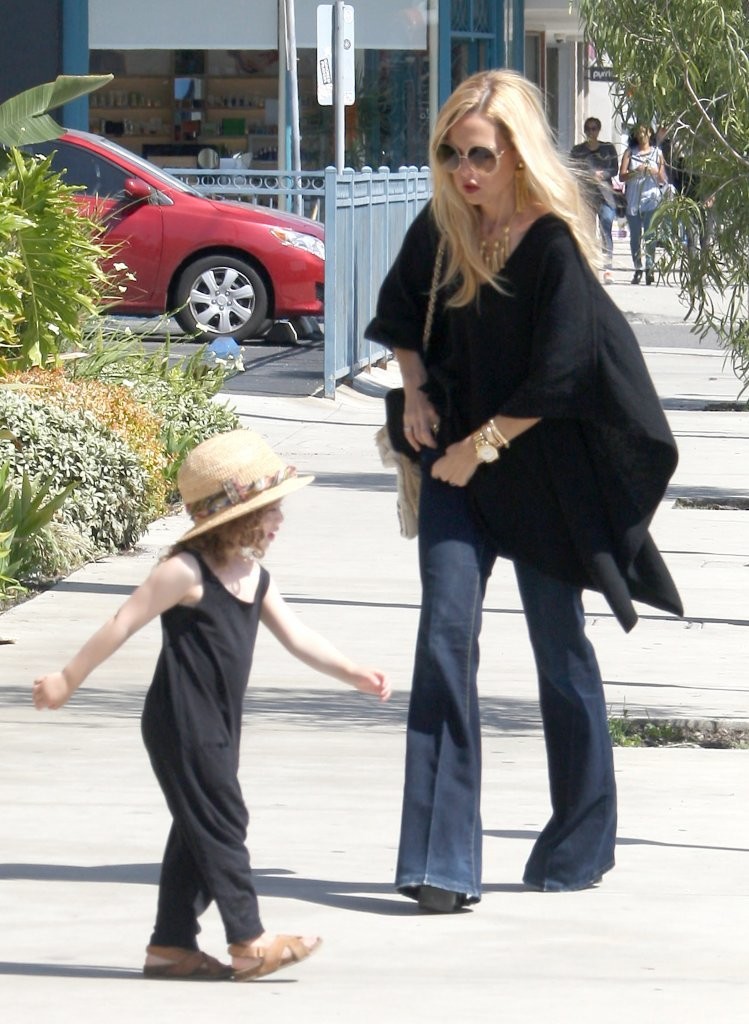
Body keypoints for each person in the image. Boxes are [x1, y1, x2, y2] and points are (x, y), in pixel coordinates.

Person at [365, 70, 682, 913]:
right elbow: (398, 314)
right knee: (444, 636)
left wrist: (480, 447)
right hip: (453, 464)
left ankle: (579, 839)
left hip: (538, 472)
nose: (463, 171)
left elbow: (567, 371)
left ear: (516, 156)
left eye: (479, 155)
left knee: (558, 649)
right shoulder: (443, 227)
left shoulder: (550, 245)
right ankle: (439, 861)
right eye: (450, 154)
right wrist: (416, 392)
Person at [32, 429, 390, 979]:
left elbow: (299, 637)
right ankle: (249, 939)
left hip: (220, 722)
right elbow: (121, 623)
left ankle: (170, 946)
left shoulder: (255, 577)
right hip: (179, 720)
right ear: (238, 516)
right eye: (271, 510)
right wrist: (66, 679)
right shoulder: (185, 572)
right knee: (223, 819)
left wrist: (352, 671)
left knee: (196, 825)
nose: (280, 520)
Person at [569, 117, 619, 283]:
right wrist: (591, 175)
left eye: (594, 128)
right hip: (586, 196)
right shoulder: (578, 151)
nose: (592, 132)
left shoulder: (608, 148)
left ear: (599, 130)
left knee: (606, 227)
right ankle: (590, 268)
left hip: (605, 196)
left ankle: (608, 268)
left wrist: (602, 175)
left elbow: (614, 169)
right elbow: (573, 169)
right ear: (585, 131)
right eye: (589, 129)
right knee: (588, 233)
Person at [619, 124, 667, 284]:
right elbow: (622, 176)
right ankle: (638, 267)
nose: (642, 134)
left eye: (645, 131)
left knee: (650, 235)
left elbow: (663, 179)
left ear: (650, 133)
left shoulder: (657, 153)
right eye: (639, 132)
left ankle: (650, 267)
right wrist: (636, 171)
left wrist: (654, 172)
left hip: (651, 198)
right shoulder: (629, 153)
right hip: (633, 199)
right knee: (635, 236)